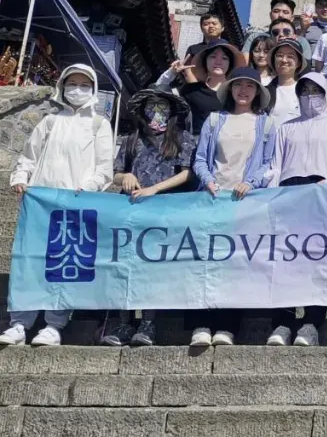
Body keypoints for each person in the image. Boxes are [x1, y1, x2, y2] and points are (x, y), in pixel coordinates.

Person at [0, 65, 113, 347]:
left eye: (84, 85)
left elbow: (104, 169)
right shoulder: (49, 122)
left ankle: (53, 325)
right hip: (41, 203)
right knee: (31, 261)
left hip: (75, 204)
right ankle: (19, 323)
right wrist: (20, 177)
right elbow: (29, 157)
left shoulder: (99, 124)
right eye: (72, 83)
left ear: (93, 89)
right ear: (62, 86)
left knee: (65, 263)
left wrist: (87, 188)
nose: (77, 89)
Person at [99, 90, 198, 347]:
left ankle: (148, 323)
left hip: (164, 211)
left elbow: (187, 173)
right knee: (125, 265)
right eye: (151, 105)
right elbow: (116, 173)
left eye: (162, 105)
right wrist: (125, 177)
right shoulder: (132, 138)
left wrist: (155, 188)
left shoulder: (183, 138)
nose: (156, 111)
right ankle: (124, 322)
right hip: (130, 210)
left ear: (171, 110)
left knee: (153, 267)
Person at [189, 67, 276, 346]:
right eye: (238, 85)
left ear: (257, 92)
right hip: (213, 200)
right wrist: (208, 180)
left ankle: (227, 326)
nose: (243, 91)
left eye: (250, 86)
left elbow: (269, 163)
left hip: (244, 203)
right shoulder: (215, 120)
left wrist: (250, 182)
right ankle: (201, 323)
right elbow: (200, 158)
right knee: (205, 261)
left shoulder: (266, 124)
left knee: (235, 264)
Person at [265, 72, 327, 347]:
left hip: (321, 192)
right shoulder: (286, 128)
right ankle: (282, 322)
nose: (310, 96)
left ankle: (312, 323)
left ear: (325, 93)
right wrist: (273, 191)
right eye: (304, 90)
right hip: (289, 193)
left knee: (317, 259)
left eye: (316, 90)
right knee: (285, 260)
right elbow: (275, 165)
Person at [157, 39, 244, 133]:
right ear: (205, 61)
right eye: (213, 56)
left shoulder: (237, 94)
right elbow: (157, 92)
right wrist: (172, 73)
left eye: (224, 58)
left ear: (230, 64)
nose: (218, 62)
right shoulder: (192, 90)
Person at [243, 0, 312, 60]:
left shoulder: (301, 41)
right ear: (270, 15)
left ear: (292, 18)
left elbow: (305, 65)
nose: (280, 15)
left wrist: (303, 30)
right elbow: (244, 62)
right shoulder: (255, 37)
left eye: (285, 12)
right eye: (276, 11)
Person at [267, 38, 306, 128]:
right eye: (279, 55)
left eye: (290, 56)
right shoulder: (265, 91)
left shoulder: (305, 91)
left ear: (298, 63)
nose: (284, 60)